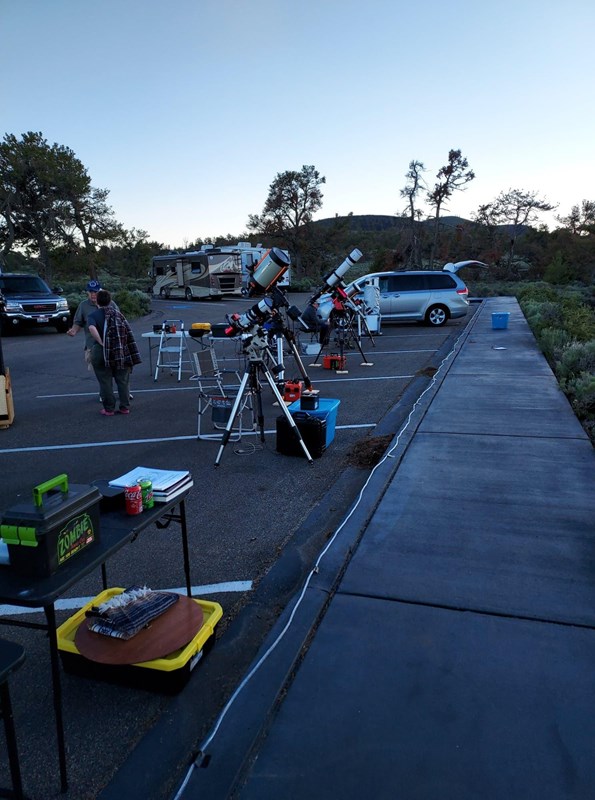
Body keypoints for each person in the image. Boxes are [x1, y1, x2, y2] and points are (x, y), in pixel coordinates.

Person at [87, 290, 141, 416]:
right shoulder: (118, 315)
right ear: (110, 301)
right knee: (122, 379)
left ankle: (109, 408)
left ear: (97, 301)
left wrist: (101, 342)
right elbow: (128, 332)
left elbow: (91, 328)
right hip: (119, 349)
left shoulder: (93, 316)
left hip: (100, 351)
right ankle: (124, 407)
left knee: (105, 380)